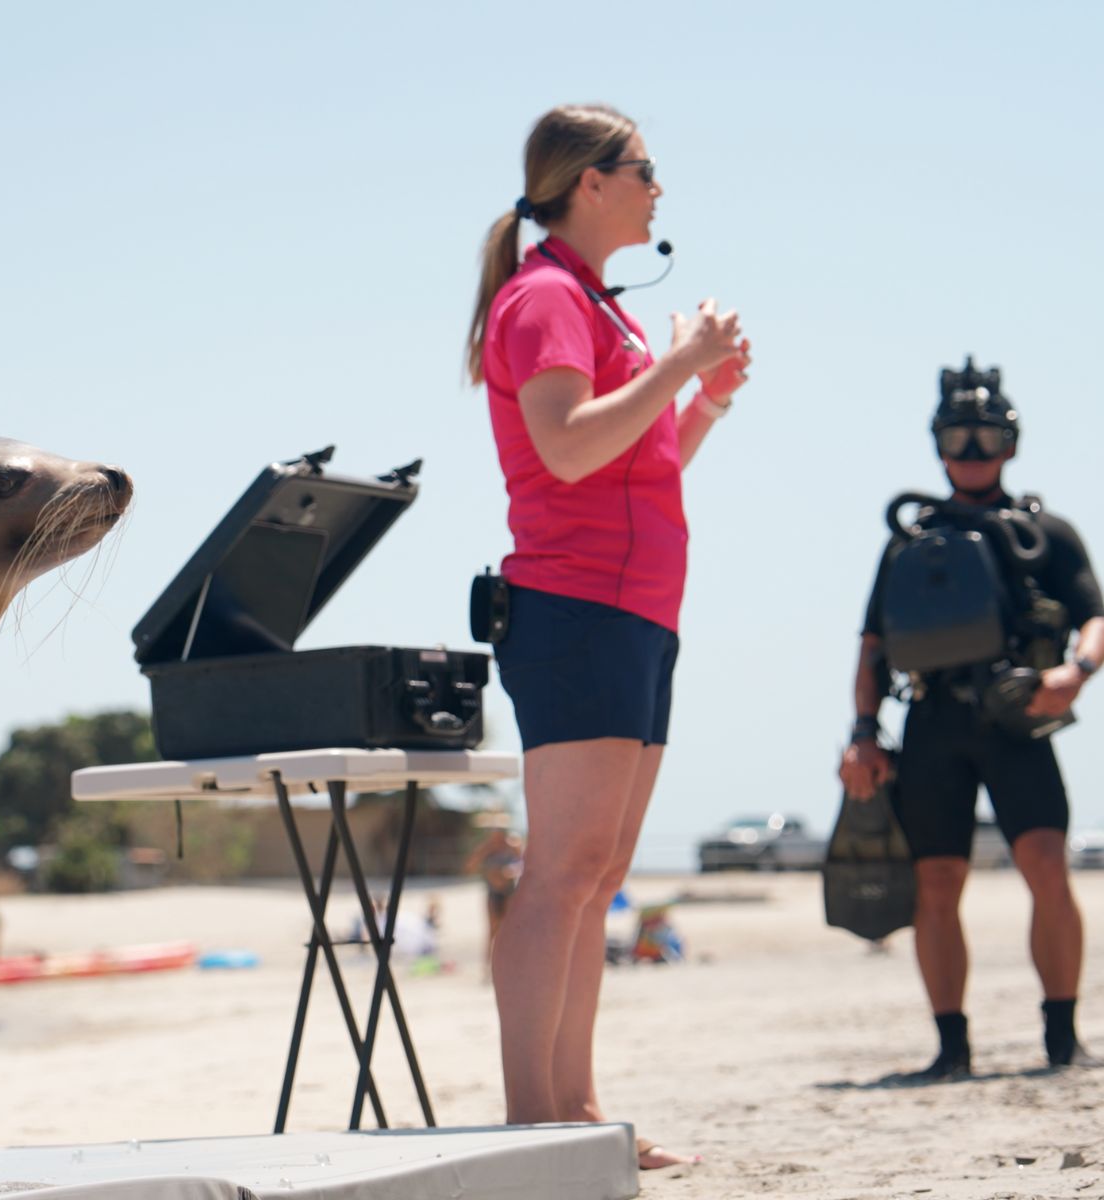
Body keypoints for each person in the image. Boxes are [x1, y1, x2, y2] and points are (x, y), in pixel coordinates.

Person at [464, 103, 751, 1170]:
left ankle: (577, 1114)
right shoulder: (542, 297)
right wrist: (679, 367)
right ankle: (533, 1121)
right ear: (593, 181)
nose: (658, 187)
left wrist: (703, 401)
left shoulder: (594, 304)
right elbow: (566, 449)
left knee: (598, 870)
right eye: (645, 170)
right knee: (563, 870)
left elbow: (633, 456)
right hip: (575, 609)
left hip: (636, 612)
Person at [839, 360, 1103, 1079]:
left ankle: (1061, 1038)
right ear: (938, 444)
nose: (973, 450)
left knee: (1047, 866)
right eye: (959, 436)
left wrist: (1073, 674)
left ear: (1011, 444)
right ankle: (951, 1048)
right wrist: (864, 734)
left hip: (1018, 722)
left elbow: (1095, 618)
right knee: (937, 883)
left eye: (986, 436)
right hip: (932, 728)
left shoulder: (1047, 534)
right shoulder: (907, 543)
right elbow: (871, 647)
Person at [462, 814, 524, 971]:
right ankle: (488, 967)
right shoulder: (486, 848)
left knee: (511, 930)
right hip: (493, 892)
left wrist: (508, 872)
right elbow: (469, 868)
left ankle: (512, 964)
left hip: (509, 892)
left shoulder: (512, 846)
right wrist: (484, 851)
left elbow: (523, 865)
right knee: (491, 931)